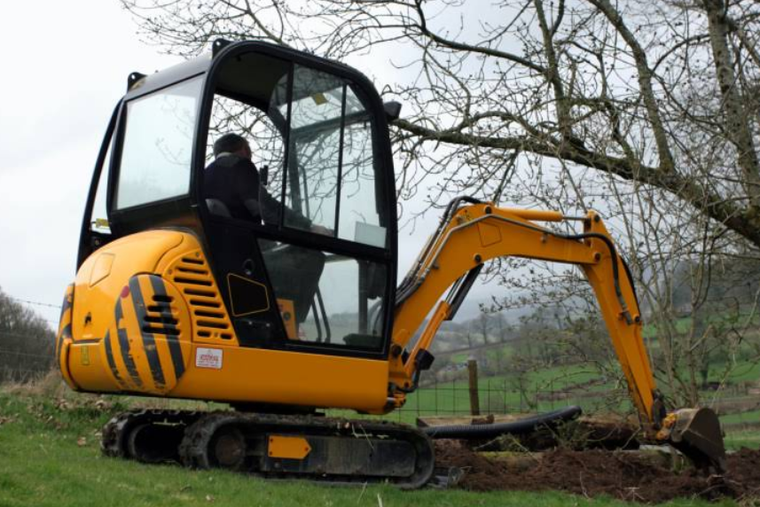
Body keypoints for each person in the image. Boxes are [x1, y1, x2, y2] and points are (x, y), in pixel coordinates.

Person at [204, 132, 328, 326]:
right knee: (312, 258)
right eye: (249, 150)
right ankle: (289, 325)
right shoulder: (242, 165)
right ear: (244, 150)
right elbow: (266, 207)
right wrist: (308, 226)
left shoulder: (204, 174)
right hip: (248, 260)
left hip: (224, 259)